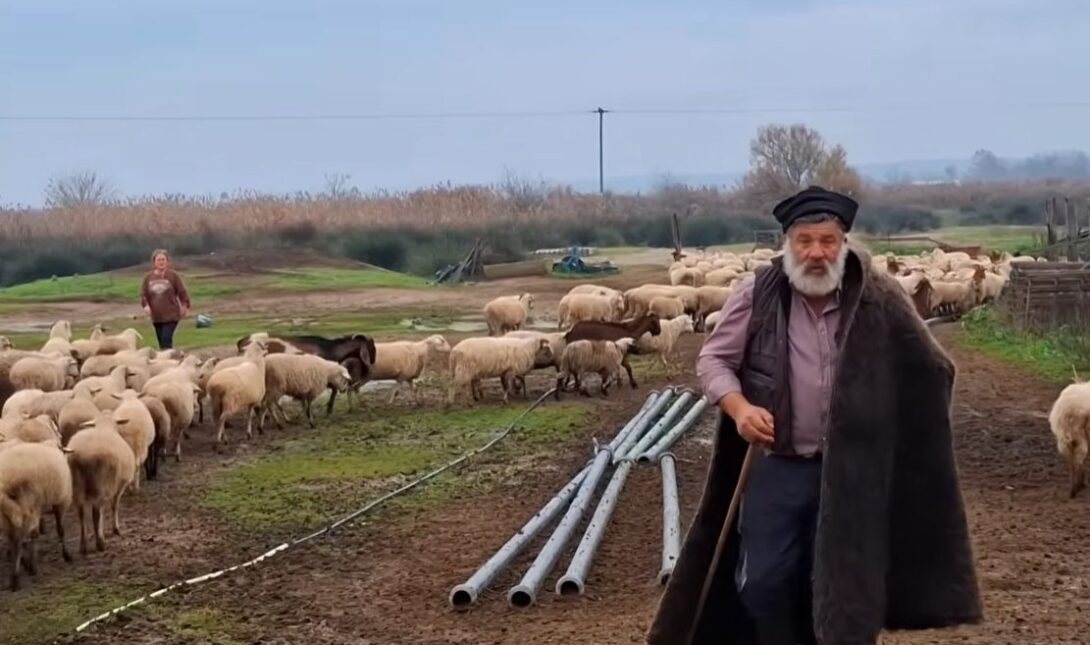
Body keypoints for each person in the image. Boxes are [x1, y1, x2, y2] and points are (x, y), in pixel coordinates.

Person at [646, 186, 982, 645]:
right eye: (805, 241)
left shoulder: (878, 296)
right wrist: (740, 408)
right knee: (764, 582)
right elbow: (714, 360)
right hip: (777, 466)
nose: (816, 253)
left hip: (851, 474)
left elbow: (932, 367)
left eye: (828, 241)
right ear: (788, 243)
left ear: (843, 243)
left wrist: (905, 435)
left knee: (848, 594)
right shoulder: (759, 293)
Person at [140, 249, 190, 350]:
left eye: (163, 259)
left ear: (167, 261)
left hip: (171, 315)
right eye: (158, 260)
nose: (161, 262)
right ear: (154, 262)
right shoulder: (148, 278)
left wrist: (185, 305)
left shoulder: (173, 276)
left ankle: (169, 359)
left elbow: (182, 292)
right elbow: (144, 295)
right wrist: (146, 306)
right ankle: (168, 358)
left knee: (166, 340)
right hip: (156, 316)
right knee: (161, 343)